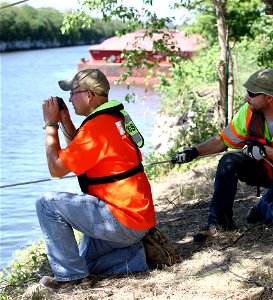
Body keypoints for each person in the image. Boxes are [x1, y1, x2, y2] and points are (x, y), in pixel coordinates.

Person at [37, 69, 179, 291]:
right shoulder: (114, 117)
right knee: (84, 264)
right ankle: (142, 256)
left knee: (46, 204)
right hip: (137, 219)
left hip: (120, 220)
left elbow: (56, 168)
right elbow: (81, 152)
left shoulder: (95, 128)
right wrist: (65, 119)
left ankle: (71, 279)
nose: (71, 99)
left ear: (88, 95)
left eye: (73, 93)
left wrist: (50, 125)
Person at [172, 69, 273, 242]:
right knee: (228, 162)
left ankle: (263, 205)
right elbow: (222, 140)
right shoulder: (250, 110)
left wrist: (264, 150)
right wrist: (194, 151)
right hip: (267, 170)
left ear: (269, 97)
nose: (247, 98)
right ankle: (218, 224)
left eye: (251, 94)